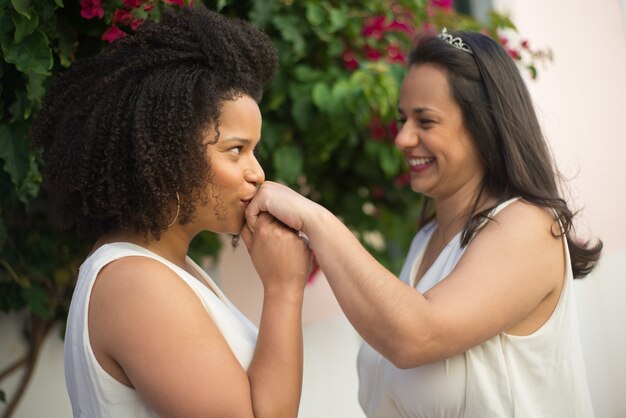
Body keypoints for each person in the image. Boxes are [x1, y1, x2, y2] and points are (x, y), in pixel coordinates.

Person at [246, 28, 602, 417]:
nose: (401, 138)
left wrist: (314, 217)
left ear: (485, 128)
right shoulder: (426, 240)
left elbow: (415, 335)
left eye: (425, 122)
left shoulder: (530, 226)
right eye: (402, 119)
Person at [32, 7, 310, 418]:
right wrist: (284, 289)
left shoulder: (168, 269)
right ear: (171, 153)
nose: (258, 172)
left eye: (254, 150)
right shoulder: (136, 283)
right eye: (236, 150)